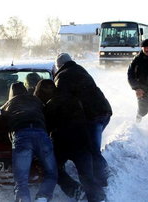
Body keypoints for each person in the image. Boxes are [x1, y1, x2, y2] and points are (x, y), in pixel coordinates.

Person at [48, 53, 113, 202]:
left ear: (58, 66)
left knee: (92, 149)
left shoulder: (62, 78)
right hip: (104, 110)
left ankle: (103, 177)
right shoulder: (80, 70)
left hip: (92, 115)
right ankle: (99, 183)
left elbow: (61, 100)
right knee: (89, 148)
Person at [0, 82, 57, 202]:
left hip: (21, 136)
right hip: (41, 135)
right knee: (51, 173)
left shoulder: (8, 104)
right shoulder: (36, 100)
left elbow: (1, 123)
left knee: (21, 181)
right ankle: (43, 197)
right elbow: (48, 115)